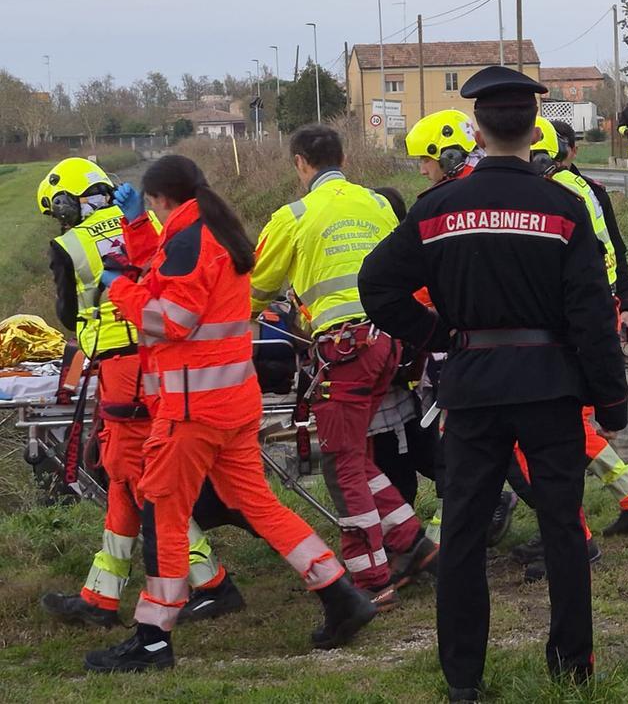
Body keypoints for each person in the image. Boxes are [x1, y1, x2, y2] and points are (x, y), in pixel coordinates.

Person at [358, 65, 628, 701]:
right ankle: (571, 667)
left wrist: (438, 336)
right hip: (550, 388)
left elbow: (377, 285)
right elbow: (592, 314)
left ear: (476, 130)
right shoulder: (562, 207)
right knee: (562, 528)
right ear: (535, 130)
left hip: (472, 388)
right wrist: (610, 401)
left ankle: (463, 681)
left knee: (462, 535)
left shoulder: (437, 208)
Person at [84, 156, 375, 672]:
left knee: (165, 514)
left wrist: (118, 289)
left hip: (192, 410)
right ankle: (339, 592)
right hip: (231, 402)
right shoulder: (205, 229)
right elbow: (170, 276)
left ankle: (152, 639)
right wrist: (133, 229)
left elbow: (170, 317)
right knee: (258, 505)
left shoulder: (192, 238)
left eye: (147, 204)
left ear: (162, 198)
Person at [35, 158, 242, 629]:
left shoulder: (68, 244)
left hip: (123, 370)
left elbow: (69, 317)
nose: (61, 219)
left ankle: (211, 581)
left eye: (59, 210)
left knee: (139, 476)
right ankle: (101, 595)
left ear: (66, 202)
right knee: (126, 479)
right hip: (159, 359)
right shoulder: (147, 219)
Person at [249, 125, 434, 607]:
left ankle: (371, 577)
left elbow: (255, 287)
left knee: (342, 464)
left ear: (299, 163)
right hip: (388, 344)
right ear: (343, 156)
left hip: (344, 351)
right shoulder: (375, 203)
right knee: (355, 455)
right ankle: (411, 540)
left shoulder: (293, 216)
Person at [508, 119, 628, 579]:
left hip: (573, 319)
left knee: (559, 429)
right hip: (589, 311)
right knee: (573, 425)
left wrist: (615, 305)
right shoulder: (578, 187)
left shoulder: (559, 193)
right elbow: (610, 247)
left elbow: (594, 252)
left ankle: (574, 533)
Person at [405, 108, 485, 184]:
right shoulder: (486, 175)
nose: (422, 171)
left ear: (450, 157)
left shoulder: (456, 192)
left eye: (426, 160)